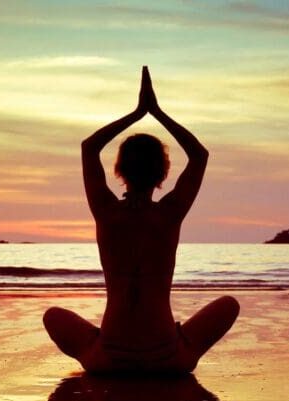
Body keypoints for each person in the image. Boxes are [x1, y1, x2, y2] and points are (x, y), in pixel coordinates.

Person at [43, 66, 239, 374]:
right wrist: (156, 112)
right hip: (167, 360)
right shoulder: (169, 214)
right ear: (163, 174)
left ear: (119, 171)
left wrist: (136, 113)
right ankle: (173, 347)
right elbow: (199, 155)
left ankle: (97, 346)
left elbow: (89, 147)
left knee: (52, 315)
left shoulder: (107, 212)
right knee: (229, 304)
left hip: (109, 359)